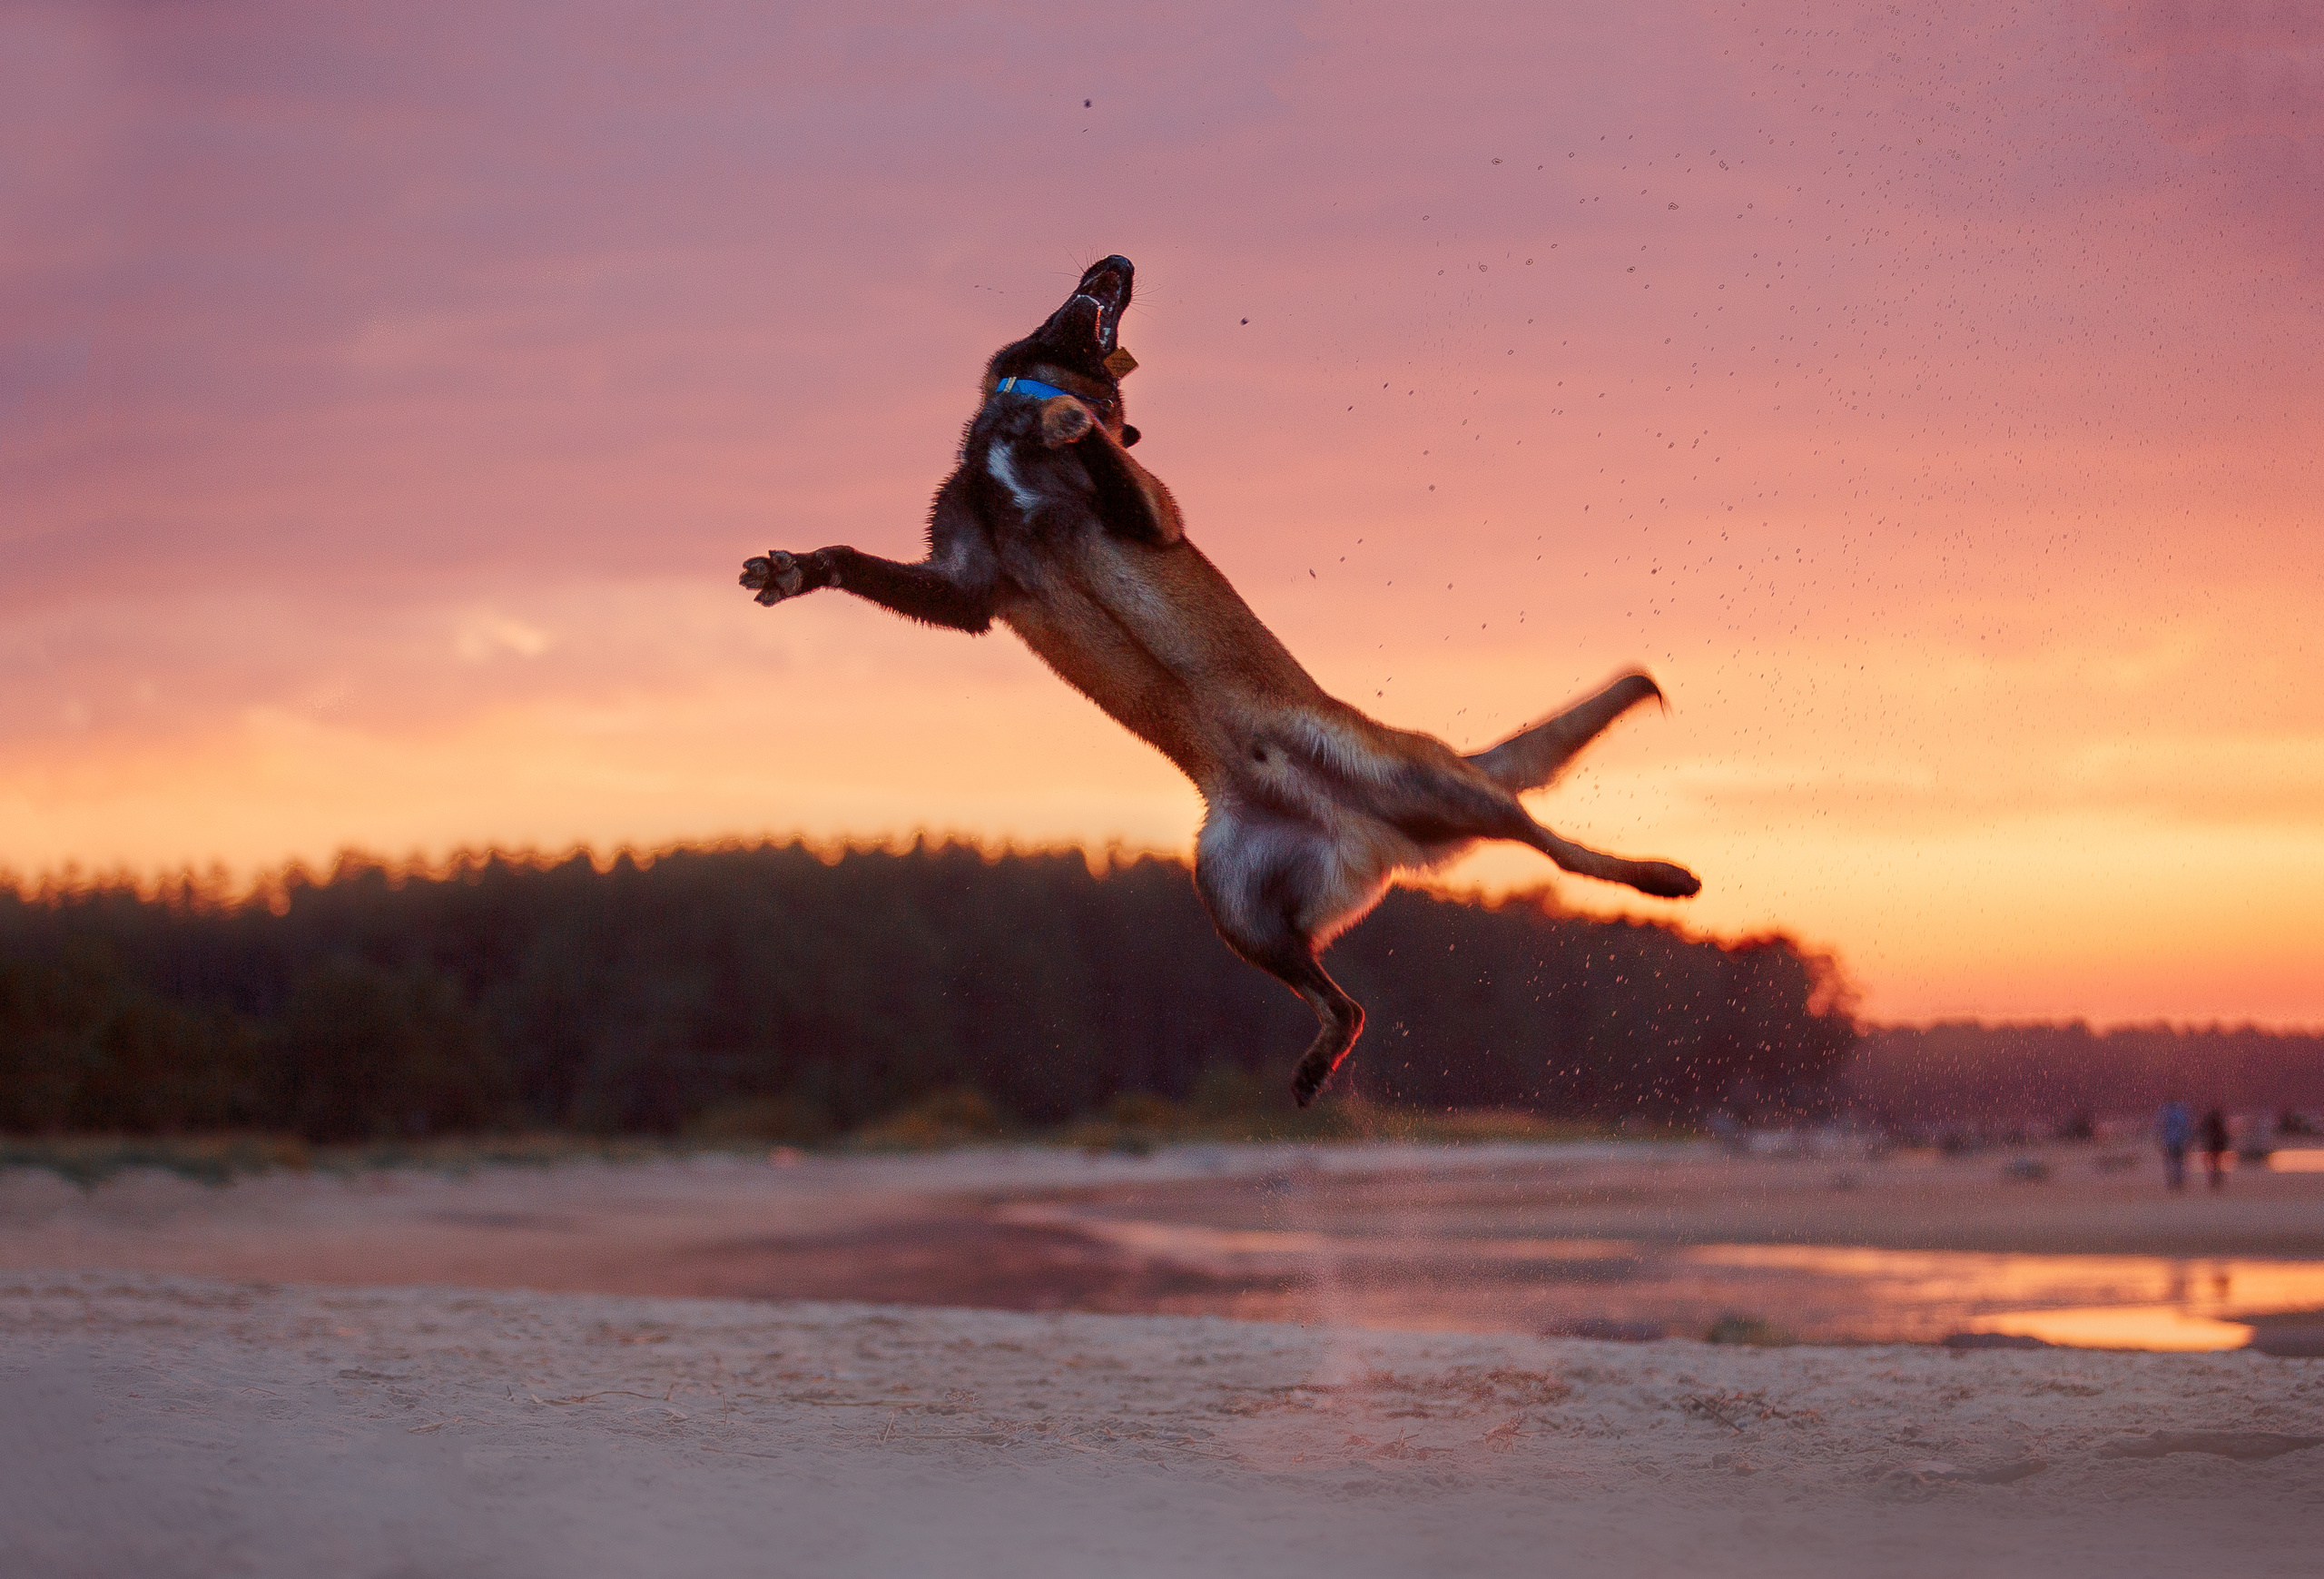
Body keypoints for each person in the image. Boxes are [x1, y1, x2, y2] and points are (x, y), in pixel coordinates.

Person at [2157, 1100, 2192, 1191]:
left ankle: (2171, 1181)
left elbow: (2159, 1127)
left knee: (2170, 1162)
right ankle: (2178, 1181)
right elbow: (2185, 1127)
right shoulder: (2180, 1113)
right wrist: (2187, 1139)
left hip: (2169, 1141)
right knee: (2178, 1162)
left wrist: (2160, 1140)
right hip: (2178, 1141)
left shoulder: (2164, 1113)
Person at [2201, 1107, 2232, 1190]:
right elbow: (2224, 1134)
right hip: (2217, 1145)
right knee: (2216, 1162)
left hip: (2212, 1145)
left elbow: (2204, 1132)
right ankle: (2216, 1177)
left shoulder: (2210, 1124)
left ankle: (2213, 1177)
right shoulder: (2220, 1124)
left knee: (2211, 1161)